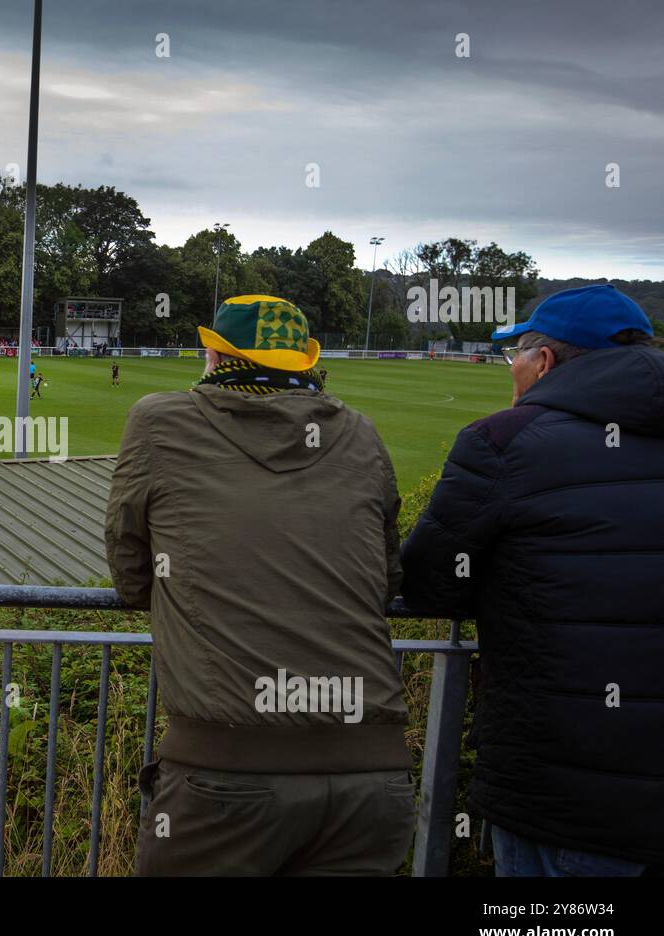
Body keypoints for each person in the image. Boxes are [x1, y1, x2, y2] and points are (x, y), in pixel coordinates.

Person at [107, 294, 411, 876]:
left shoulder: (158, 419)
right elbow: (386, 578)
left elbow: (130, 571)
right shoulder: (363, 434)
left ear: (216, 356)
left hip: (227, 769)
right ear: (303, 363)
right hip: (373, 776)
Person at [400, 284, 664, 877]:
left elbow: (428, 582)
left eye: (513, 354)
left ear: (543, 362)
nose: (510, 368)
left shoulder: (502, 441)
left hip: (564, 790)